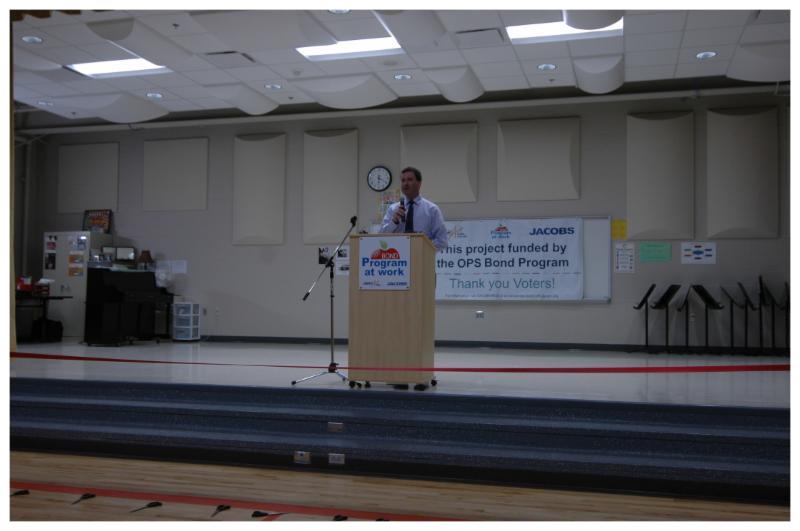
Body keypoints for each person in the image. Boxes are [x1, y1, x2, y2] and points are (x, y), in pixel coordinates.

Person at [380, 166, 448, 251]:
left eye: (409, 180)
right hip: (397, 257)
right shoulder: (393, 209)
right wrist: (393, 222)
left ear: (419, 183)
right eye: (403, 180)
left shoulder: (432, 209)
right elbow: (381, 236)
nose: (405, 183)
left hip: (422, 257)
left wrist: (420, 246)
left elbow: (442, 240)